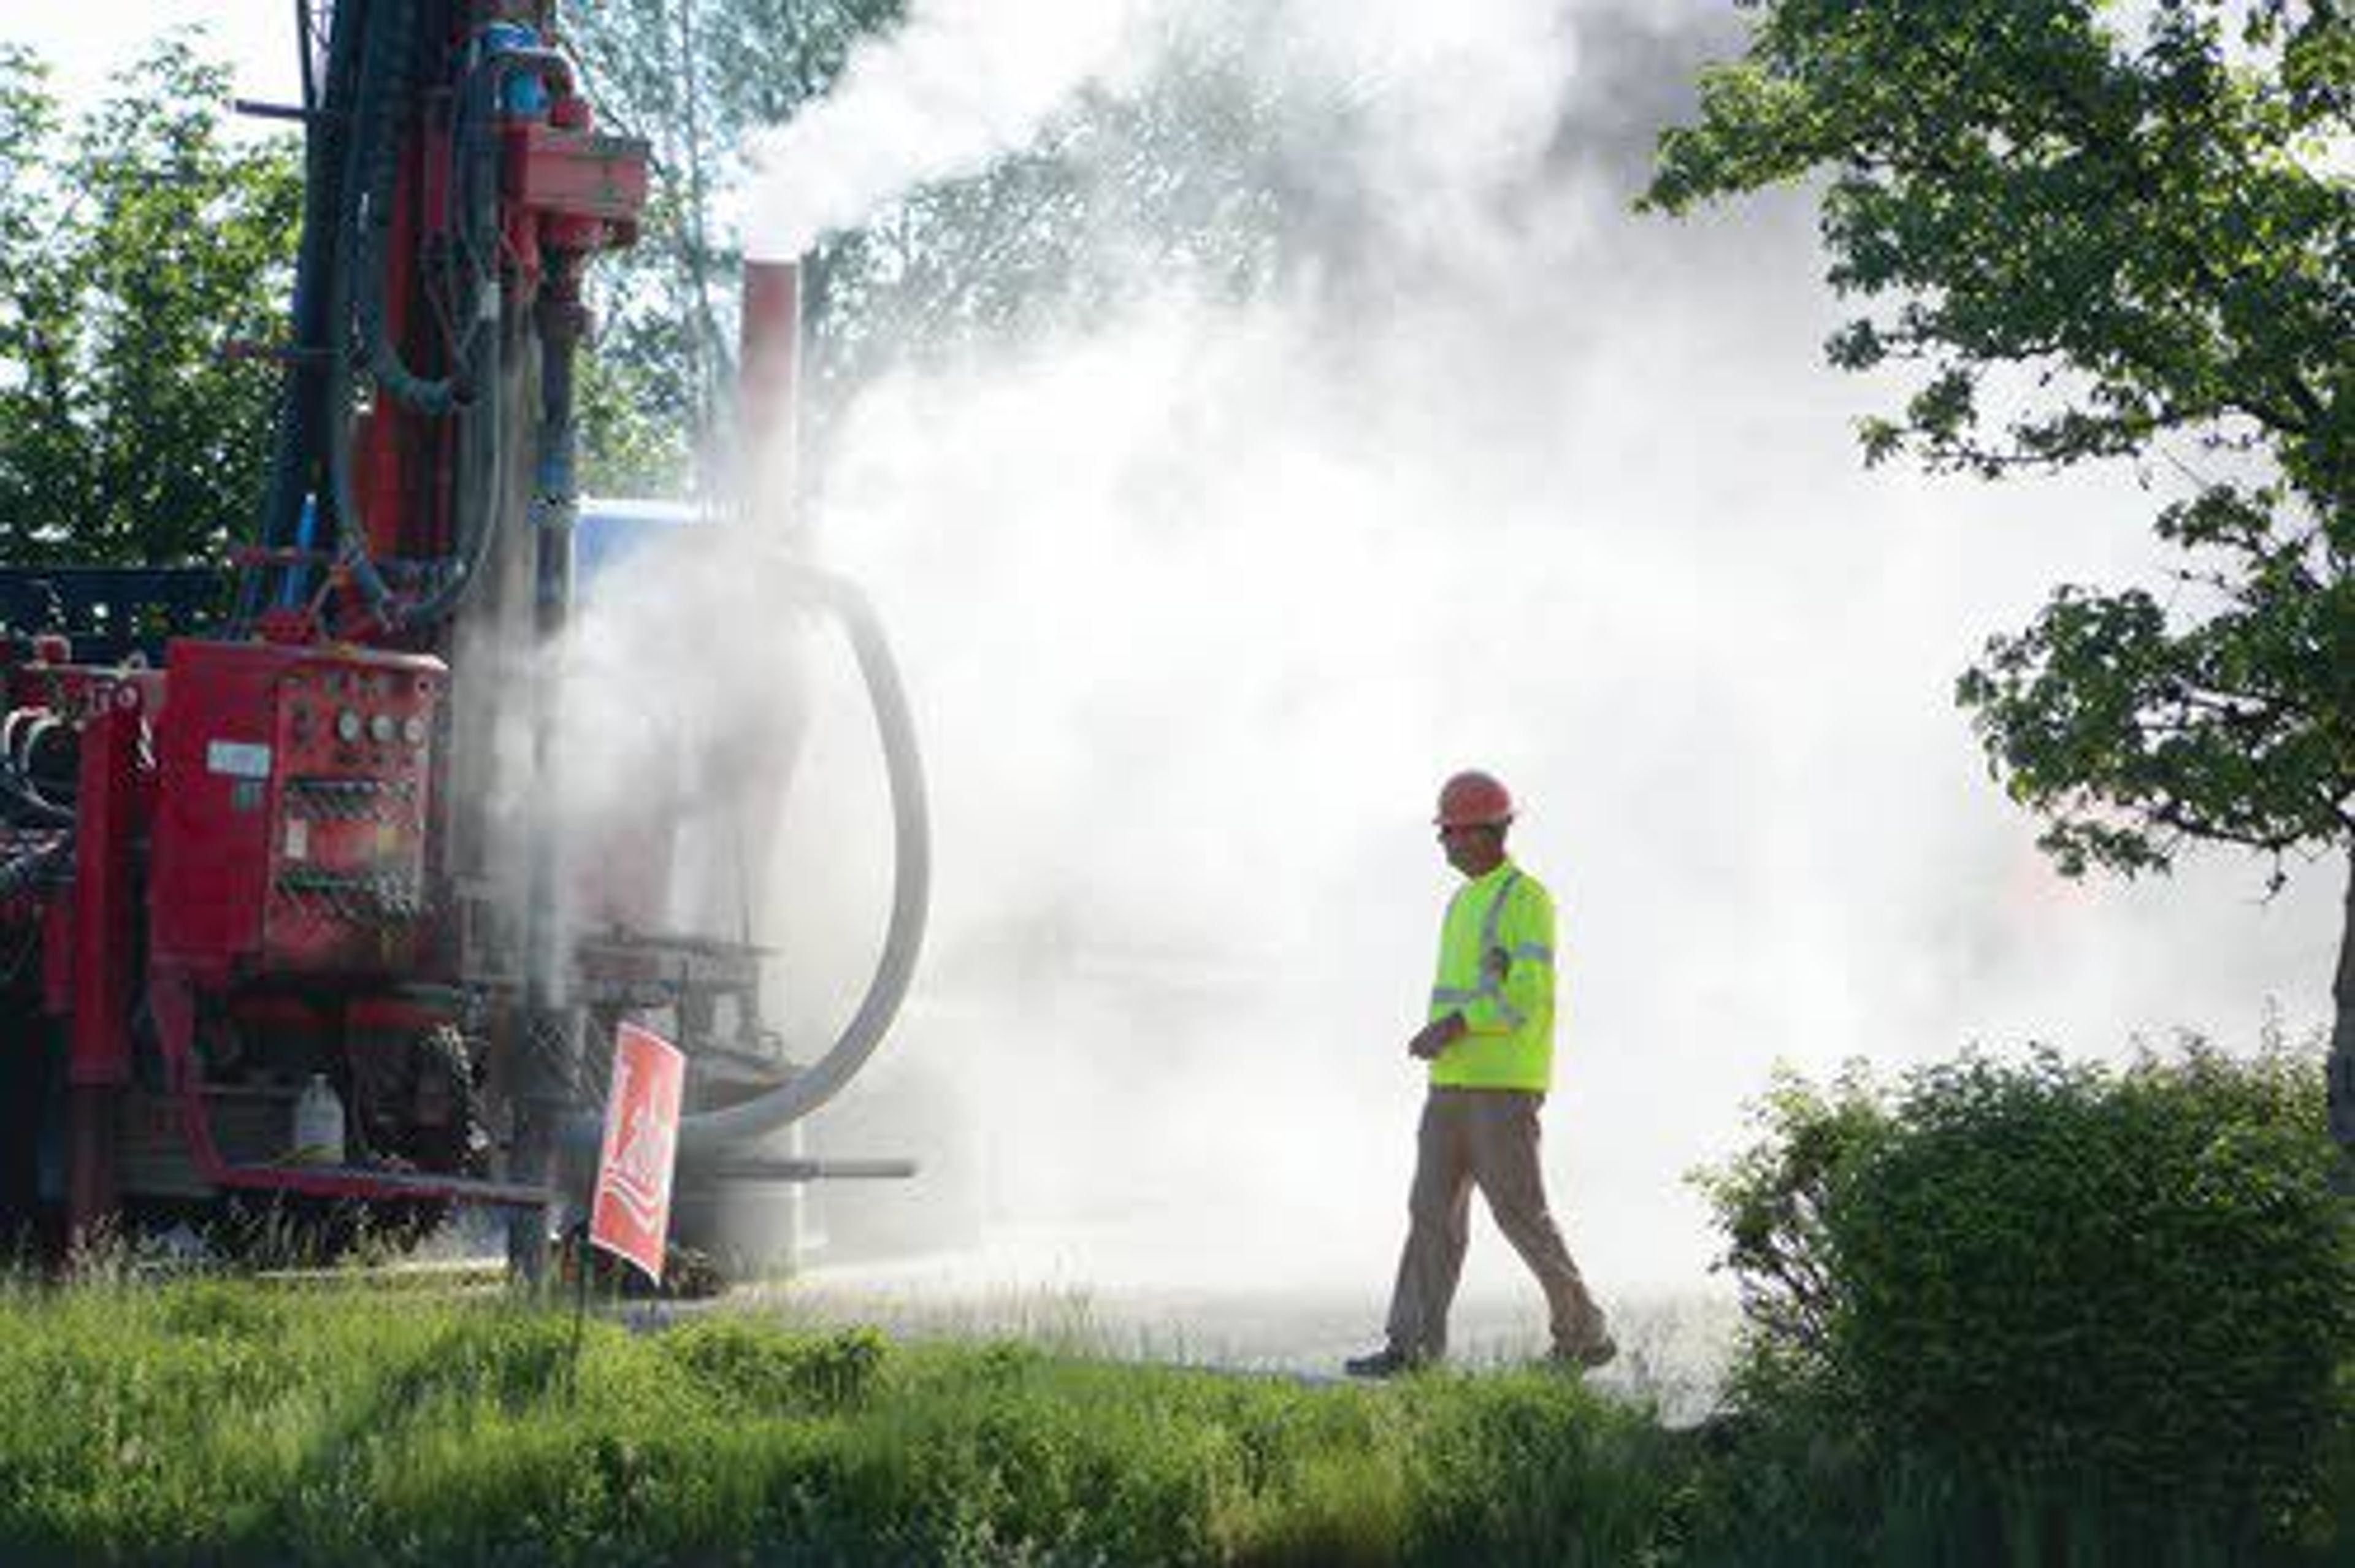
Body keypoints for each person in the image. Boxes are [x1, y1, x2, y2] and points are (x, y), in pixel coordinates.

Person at [1345, 770, 1615, 1378]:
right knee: (1430, 1215)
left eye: (1455, 834)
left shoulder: (1525, 899)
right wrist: (1446, 1040)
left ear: (1492, 832)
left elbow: (1524, 998)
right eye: (1444, 835)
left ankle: (1584, 1334)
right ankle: (1411, 1348)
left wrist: (1453, 1026)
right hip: (1450, 1086)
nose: (1446, 845)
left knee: (1519, 1213)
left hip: (1502, 1089)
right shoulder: (1462, 902)